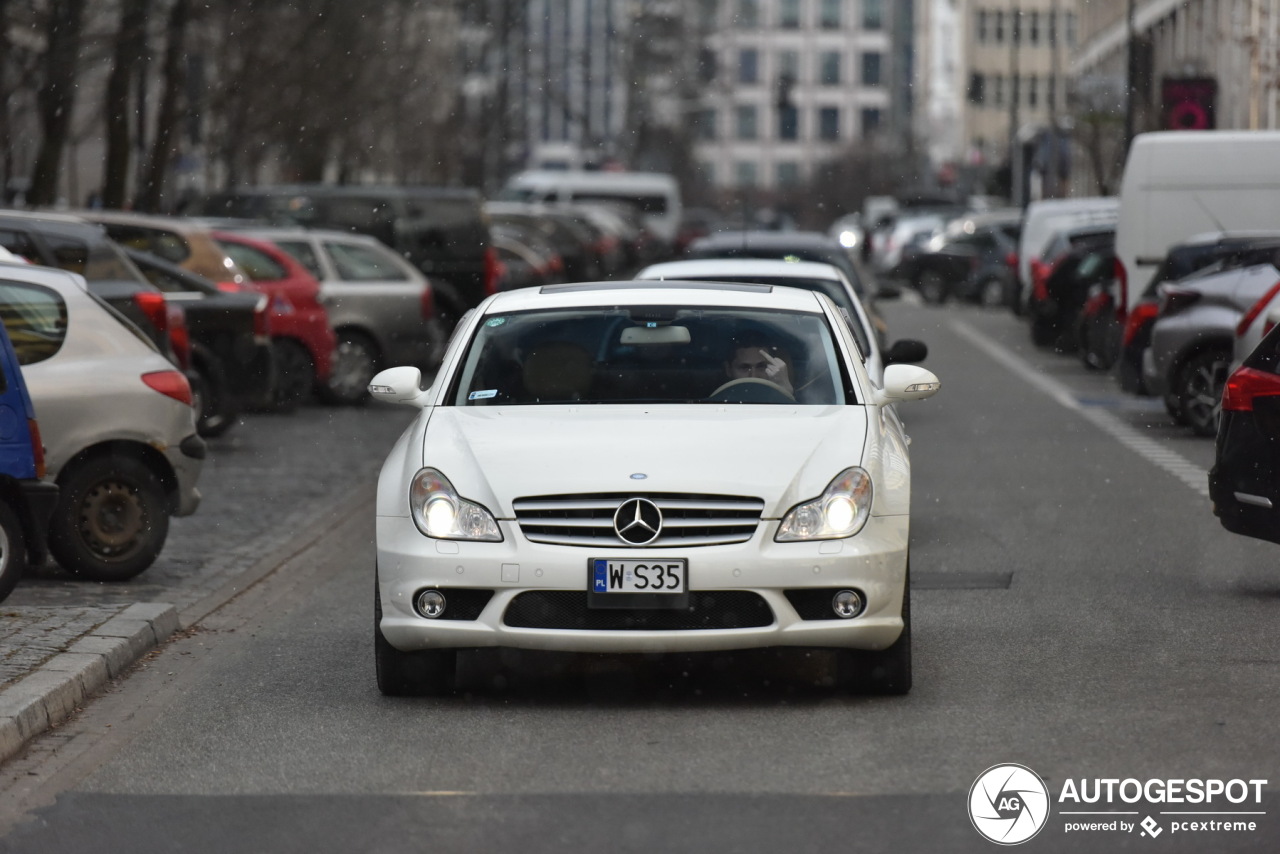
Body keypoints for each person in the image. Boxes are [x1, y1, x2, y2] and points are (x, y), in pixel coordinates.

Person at [722, 333, 794, 398]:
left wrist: (785, 390)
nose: (753, 376)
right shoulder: (714, 405)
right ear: (728, 369)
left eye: (761, 367)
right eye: (744, 368)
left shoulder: (802, 406)